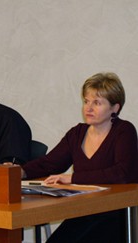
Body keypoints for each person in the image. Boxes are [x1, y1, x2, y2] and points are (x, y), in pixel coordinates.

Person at [21, 72, 138, 243]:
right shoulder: (77, 133)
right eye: (86, 101)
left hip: (114, 213)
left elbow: (122, 173)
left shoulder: (124, 131)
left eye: (97, 103)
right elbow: (49, 164)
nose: (88, 108)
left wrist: (73, 178)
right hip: (82, 210)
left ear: (115, 108)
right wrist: (20, 172)